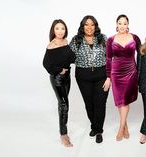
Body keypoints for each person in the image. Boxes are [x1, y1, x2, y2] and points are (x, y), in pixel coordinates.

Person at [69, 15, 110, 143]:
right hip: (83, 76)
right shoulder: (76, 40)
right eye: (86, 24)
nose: (89, 27)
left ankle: (98, 131)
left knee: (100, 104)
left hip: (101, 75)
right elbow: (68, 56)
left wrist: (110, 77)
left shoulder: (103, 38)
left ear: (95, 26)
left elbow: (111, 58)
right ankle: (94, 125)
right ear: (82, 26)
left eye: (92, 24)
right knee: (89, 104)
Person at [106, 14, 141, 141]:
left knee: (125, 100)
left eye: (124, 23)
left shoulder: (135, 37)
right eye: (120, 23)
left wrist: (140, 72)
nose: (122, 26)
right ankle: (124, 125)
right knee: (120, 101)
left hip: (131, 71)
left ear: (128, 25)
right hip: (116, 73)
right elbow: (108, 58)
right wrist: (108, 76)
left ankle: (120, 128)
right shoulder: (110, 39)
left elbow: (141, 56)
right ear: (116, 25)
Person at [43, 19, 76, 147]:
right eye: (57, 28)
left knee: (63, 104)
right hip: (57, 78)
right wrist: (59, 70)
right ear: (53, 30)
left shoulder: (66, 42)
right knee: (64, 105)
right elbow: (46, 64)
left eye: (62, 28)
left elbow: (70, 58)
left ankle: (63, 130)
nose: (60, 31)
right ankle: (63, 135)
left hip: (67, 78)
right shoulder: (52, 45)